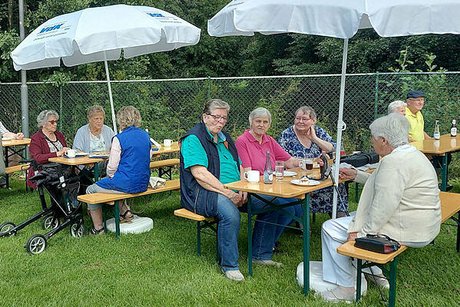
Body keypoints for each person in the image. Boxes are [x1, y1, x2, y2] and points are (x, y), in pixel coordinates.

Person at [319, 113, 441, 303]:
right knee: (351, 220)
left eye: (373, 138)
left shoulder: (394, 162)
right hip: (422, 222)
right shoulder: (410, 154)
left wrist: (363, 233)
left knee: (331, 228)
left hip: (407, 228)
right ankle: (375, 273)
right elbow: (385, 185)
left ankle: (347, 287)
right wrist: (355, 175)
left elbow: (384, 204)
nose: (371, 142)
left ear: (383, 140)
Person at [180, 99, 247, 282]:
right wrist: (228, 193)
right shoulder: (193, 138)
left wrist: (244, 188)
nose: (220, 121)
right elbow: (200, 174)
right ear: (204, 117)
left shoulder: (226, 138)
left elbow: (239, 165)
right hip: (200, 192)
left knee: (280, 203)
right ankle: (229, 265)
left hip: (235, 188)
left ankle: (261, 253)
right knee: (230, 213)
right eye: (216, 117)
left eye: (224, 118)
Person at [235, 107, 298, 267]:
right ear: (251, 122)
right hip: (249, 191)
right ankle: (259, 255)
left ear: (269, 124)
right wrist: (271, 177)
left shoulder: (269, 140)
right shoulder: (242, 141)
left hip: (269, 187)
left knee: (292, 205)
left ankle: (267, 243)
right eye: (258, 121)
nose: (261, 125)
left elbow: (289, 161)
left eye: (265, 122)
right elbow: (248, 173)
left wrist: (310, 160)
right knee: (276, 204)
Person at [85, 106, 151, 234]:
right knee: (114, 184)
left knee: (91, 189)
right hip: (143, 182)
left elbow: (111, 167)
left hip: (126, 183)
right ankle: (125, 212)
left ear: (121, 120)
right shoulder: (145, 135)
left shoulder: (119, 138)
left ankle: (98, 228)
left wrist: (111, 177)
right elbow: (148, 158)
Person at [279, 106, 348, 217]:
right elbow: (283, 159)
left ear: (313, 121)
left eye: (304, 119)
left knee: (337, 184)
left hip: (317, 175)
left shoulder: (318, 131)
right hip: (296, 177)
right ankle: (300, 220)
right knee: (306, 189)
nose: (300, 121)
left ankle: (340, 218)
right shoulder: (287, 134)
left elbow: (333, 148)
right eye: (298, 118)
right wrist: (311, 161)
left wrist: (314, 138)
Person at [27, 110, 70, 188]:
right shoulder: (36, 138)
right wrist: (57, 154)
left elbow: (64, 149)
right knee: (71, 176)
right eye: (52, 122)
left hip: (63, 166)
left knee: (82, 173)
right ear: (43, 124)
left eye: (56, 121)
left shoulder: (59, 135)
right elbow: (38, 158)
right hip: (46, 170)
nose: (55, 124)